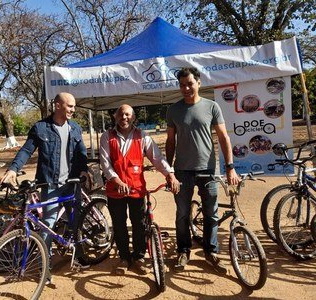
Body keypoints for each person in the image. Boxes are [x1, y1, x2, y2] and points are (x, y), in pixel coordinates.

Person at [0, 92, 89, 277]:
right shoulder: (41, 128)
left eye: (73, 106)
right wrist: (13, 169)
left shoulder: (75, 128)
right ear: (57, 105)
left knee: (76, 221)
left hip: (72, 184)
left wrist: (84, 169)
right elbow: (26, 150)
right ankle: (45, 267)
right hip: (50, 185)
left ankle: (79, 255)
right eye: (70, 106)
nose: (73, 109)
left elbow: (81, 152)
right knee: (47, 226)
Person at [166, 67, 240, 273]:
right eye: (182, 85)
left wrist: (230, 167)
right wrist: (169, 170)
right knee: (182, 214)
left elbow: (224, 138)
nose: (186, 88)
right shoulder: (173, 110)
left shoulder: (212, 106)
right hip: (182, 171)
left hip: (208, 170)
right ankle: (183, 250)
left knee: (211, 214)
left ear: (199, 83)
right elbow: (170, 141)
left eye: (189, 83)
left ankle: (211, 251)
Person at [100, 104, 180, 275]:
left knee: (139, 225)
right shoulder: (107, 136)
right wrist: (117, 181)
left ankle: (138, 257)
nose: (124, 118)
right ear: (115, 117)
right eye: (120, 114)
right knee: (119, 225)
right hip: (116, 191)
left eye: (128, 115)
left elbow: (157, 158)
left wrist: (170, 175)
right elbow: (105, 164)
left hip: (137, 190)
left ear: (134, 117)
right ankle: (124, 258)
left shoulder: (142, 136)